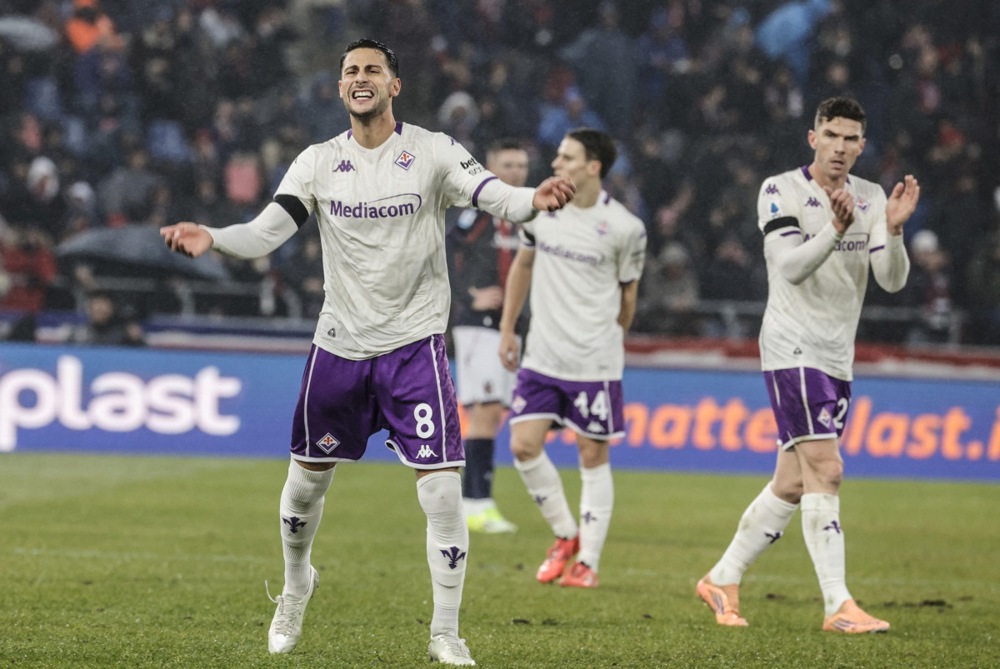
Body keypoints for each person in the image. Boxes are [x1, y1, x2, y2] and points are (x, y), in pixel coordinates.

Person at [160, 38, 575, 666]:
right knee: (304, 489)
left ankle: (445, 632)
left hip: (415, 349)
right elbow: (265, 232)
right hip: (340, 347)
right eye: (351, 71)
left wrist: (532, 200)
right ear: (340, 87)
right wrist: (213, 236)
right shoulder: (318, 162)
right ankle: (296, 584)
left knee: (442, 495)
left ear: (393, 85)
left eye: (372, 70)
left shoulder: (433, 151)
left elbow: (496, 195)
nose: (361, 78)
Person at [695, 96, 920, 633]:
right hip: (793, 347)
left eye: (850, 139)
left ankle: (721, 578)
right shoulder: (780, 190)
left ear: (862, 146)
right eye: (831, 135)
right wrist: (836, 230)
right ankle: (838, 605)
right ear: (813, 137)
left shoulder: (869, 196)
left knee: (793, 482)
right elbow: (790, 267)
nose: (839, 147)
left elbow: (891, 280)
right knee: (827, 469)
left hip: (837, 354)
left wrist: (894, 231)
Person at [498, 128, 647, 589]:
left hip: (593, 361)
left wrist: (611, 341)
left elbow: (628, 295)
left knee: (591, 455)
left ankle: (588, 564)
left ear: (593, 167)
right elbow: (523, 265)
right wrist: (508, 327)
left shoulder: (625, 227)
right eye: (558, 156)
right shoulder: (541, 209)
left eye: (567, 157)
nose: (556, 163)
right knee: (522, 445)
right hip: (543, 355)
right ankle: (566, 535)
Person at [446, 139, 532, 534]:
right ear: (491, 168)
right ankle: (475, 502)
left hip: (511, 326)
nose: (515, 171)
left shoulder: (527, 214)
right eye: (508, 164)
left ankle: (477, 501)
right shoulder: (479, 211)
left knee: (494, 413)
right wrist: (469, 295)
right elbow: (444, 248)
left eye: (521, 165)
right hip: (478, 324)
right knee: (485, 410)